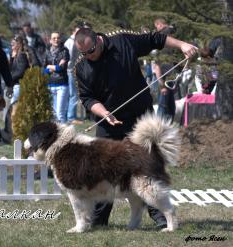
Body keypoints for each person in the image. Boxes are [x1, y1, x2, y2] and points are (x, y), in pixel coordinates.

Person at [74, 27, 197, 227]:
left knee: (146, 166)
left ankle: (160, 217)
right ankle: (99, 219)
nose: (89, 56)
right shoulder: (81, 67)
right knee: (103, 169)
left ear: (97, 39)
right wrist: (104, 112)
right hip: (109, 120)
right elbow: (87, 98)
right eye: (84, 53)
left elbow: (155, 38)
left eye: (91, 51)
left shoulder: (123, 41)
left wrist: (182, 45)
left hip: (140, 117)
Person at [1, 35, 29, 144]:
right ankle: (12, 132)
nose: (11, 45)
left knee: (13, 111)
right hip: (15, 85)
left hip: (19, 85)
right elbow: (11, 69)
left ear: (19, 44)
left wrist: (9, 79)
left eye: (14, 43)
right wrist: (12, 58)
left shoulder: (22, 55)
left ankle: (14, 133)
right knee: (11, 112)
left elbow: (21, 71)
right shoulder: (15, 55)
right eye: (11, 43)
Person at [64, 22, 90, 125]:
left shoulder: (77, 41)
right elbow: (68, 58)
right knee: (73, 95)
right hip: (70, 70)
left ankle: (74, 116)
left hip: (75, 70)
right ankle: (71, 117)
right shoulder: (70, 42)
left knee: (76, 94)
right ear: (74, 31)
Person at [43, 31, 70, 123]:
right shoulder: (46, 51)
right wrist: (52, 68)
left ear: (60, 39)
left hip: (62, 84)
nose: (56, 40)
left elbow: (62, 68)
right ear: (50, 40)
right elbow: (43, 69)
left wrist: (50, 67)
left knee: (60, 113)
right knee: (53, 114)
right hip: (50, 85)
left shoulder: (65, 51)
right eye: (54, 38)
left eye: (58, 38)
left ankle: (65, 135)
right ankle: (56, 134)